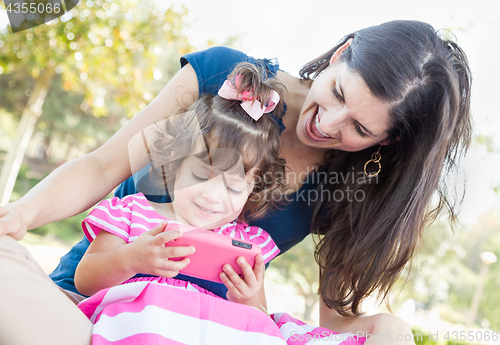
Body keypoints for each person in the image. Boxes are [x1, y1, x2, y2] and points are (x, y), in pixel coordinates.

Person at [0, 20, 472, 345]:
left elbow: (330, 322)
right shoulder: (228, 92)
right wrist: (21, 213)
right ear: (341, 54)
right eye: (338, 94)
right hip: (89, 313)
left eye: (361, 130)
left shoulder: (345, 186)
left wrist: (388, 326)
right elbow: (105, 167)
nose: (329, 125)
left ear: (384, 145)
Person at [73, 62, 291, 343]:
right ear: (174, 163)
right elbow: (85, 281)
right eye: (201, 175)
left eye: (234, 188)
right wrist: (130, 260)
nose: (212, 196)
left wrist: (247, 299)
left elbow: (259, 323)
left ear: (252, 191)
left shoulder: (245, 245)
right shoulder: (132, 213)